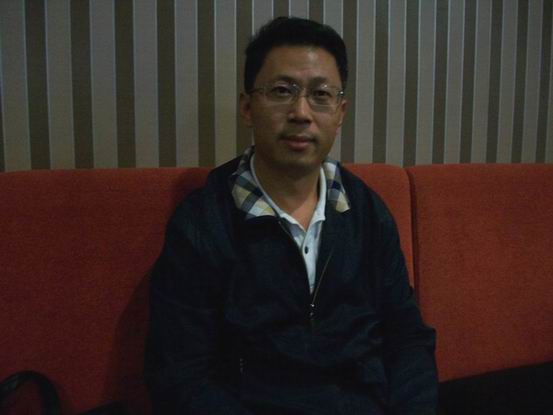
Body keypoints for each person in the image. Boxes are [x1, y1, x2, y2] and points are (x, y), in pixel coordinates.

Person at [145, 16, 437, 415]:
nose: (301, 112)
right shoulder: (203, 224)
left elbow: (408, 339)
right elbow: (181, 377)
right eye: (282, 91)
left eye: (320, 94)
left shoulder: (367, 212)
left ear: (340, 112)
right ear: (248, 107)